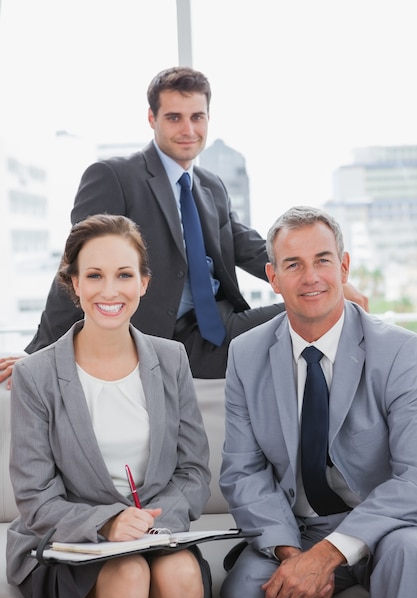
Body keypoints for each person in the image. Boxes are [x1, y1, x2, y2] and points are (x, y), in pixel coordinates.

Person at [9, 66, 367, 381]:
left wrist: (325, 280)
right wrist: (38, 351)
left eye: (197, 117)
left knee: (327, 306)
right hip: (158, 333)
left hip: (222, 324)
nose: (188, 129)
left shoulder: (211, 185)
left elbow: (254, 248)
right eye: (174, 117)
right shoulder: (115, 176)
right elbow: (77, 262)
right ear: (152, 118)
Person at [6, 214, 212, 598]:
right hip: (71, 541)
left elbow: (193, 472)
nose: (110, 290)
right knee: (128, 575)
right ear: (75, 284)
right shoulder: (36, 375)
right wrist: (109, 523)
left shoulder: (172, 360)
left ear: (143, 283)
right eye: (95, 275)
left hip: (156, 533)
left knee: (182, 575)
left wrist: (148, 526)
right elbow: (35, 497)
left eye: (124, 274)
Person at [219, 205, 417, 598]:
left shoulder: (401, 353)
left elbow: (414, 476)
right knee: (247, 592)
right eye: (293, 264)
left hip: (386, 527)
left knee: (411, 553)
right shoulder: (246, 354)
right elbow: (243, 472)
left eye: (322, 260)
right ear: (273, 278)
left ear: (343, 267)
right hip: (298, 529)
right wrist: (296, 558)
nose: (311, 277)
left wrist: (330, 555)